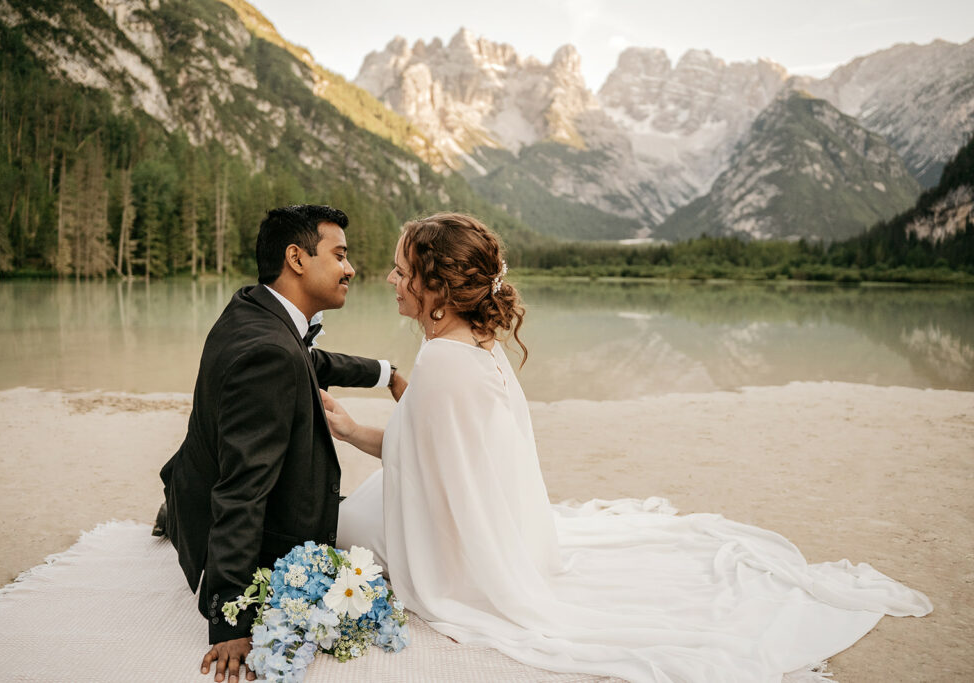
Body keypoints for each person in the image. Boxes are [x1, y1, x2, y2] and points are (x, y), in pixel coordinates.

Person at [322, 212, 933, 681]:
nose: (391, 279)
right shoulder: (471, 345)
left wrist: (352, 432)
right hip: (482, 517)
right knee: (352, 521)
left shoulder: (444, 363)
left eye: (403, 271)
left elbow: (424, 468)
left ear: (437, 287)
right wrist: (354, 429)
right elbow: (434, 452)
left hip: (455, 543)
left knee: (344, 529)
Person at [158, 205, 407, 683]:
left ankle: (177, 514)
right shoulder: (268, 352)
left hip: (193, 477)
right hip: (230, 521)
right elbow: (243, 490)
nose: (350, 268)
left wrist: (385, 372)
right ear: (296, 258)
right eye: (340, 255)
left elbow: (311, 358)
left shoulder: (256, 310)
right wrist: (229, 619)